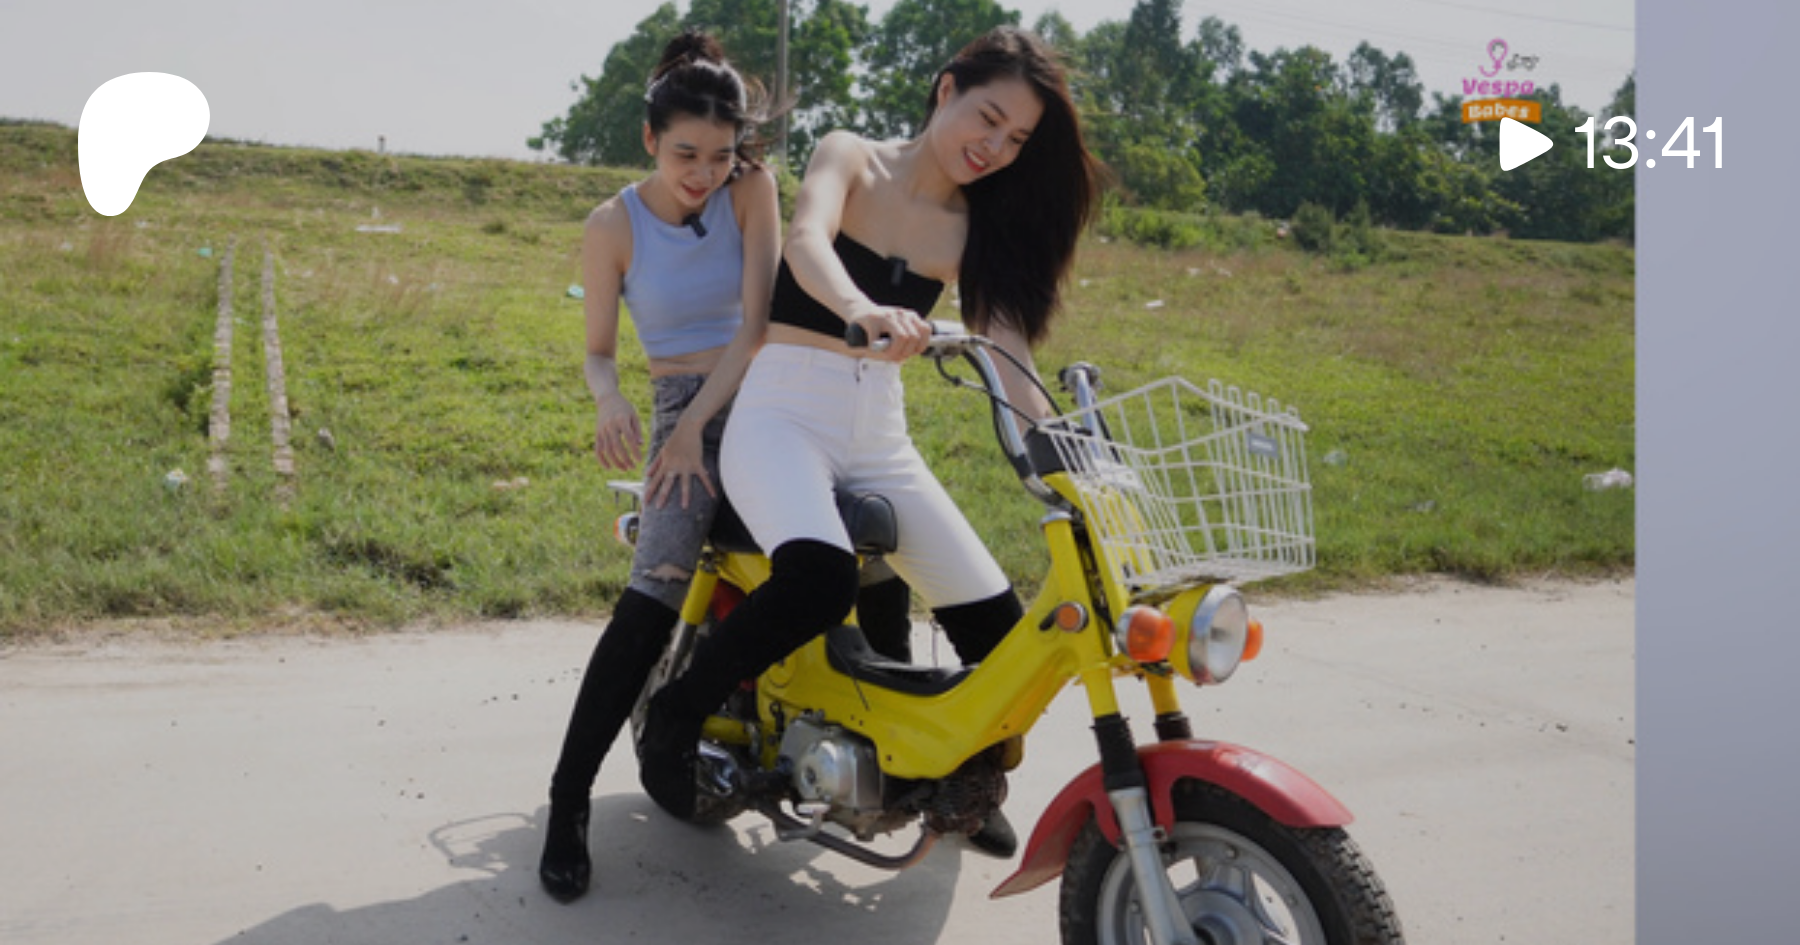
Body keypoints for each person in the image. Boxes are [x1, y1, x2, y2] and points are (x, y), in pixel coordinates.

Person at [638, 25, 1102, 859]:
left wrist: (1074, 460)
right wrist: (860, 308)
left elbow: (1010, 354)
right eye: (988, 118)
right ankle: (677, 712)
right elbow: (808, 239)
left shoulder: (976, 226)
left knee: (1005, 634)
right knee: (822, 578)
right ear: (947, 89)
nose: (994, 147)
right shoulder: (851, 154)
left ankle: (956, 769)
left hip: (879, 434)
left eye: (1016, 139)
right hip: (782, 415)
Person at [537, 30, 920, 904]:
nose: (703, 173)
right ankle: (569, 800)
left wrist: (697, 426)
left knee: (874, 538)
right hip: (681, 407)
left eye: (719, 154)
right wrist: (612, 399)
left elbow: (755, 325)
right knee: (653, 594)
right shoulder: (612, 225)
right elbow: (598, 351)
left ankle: (912, 762)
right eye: (685, 154)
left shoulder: (752, 188)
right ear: (649, 139)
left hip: (771, 393)